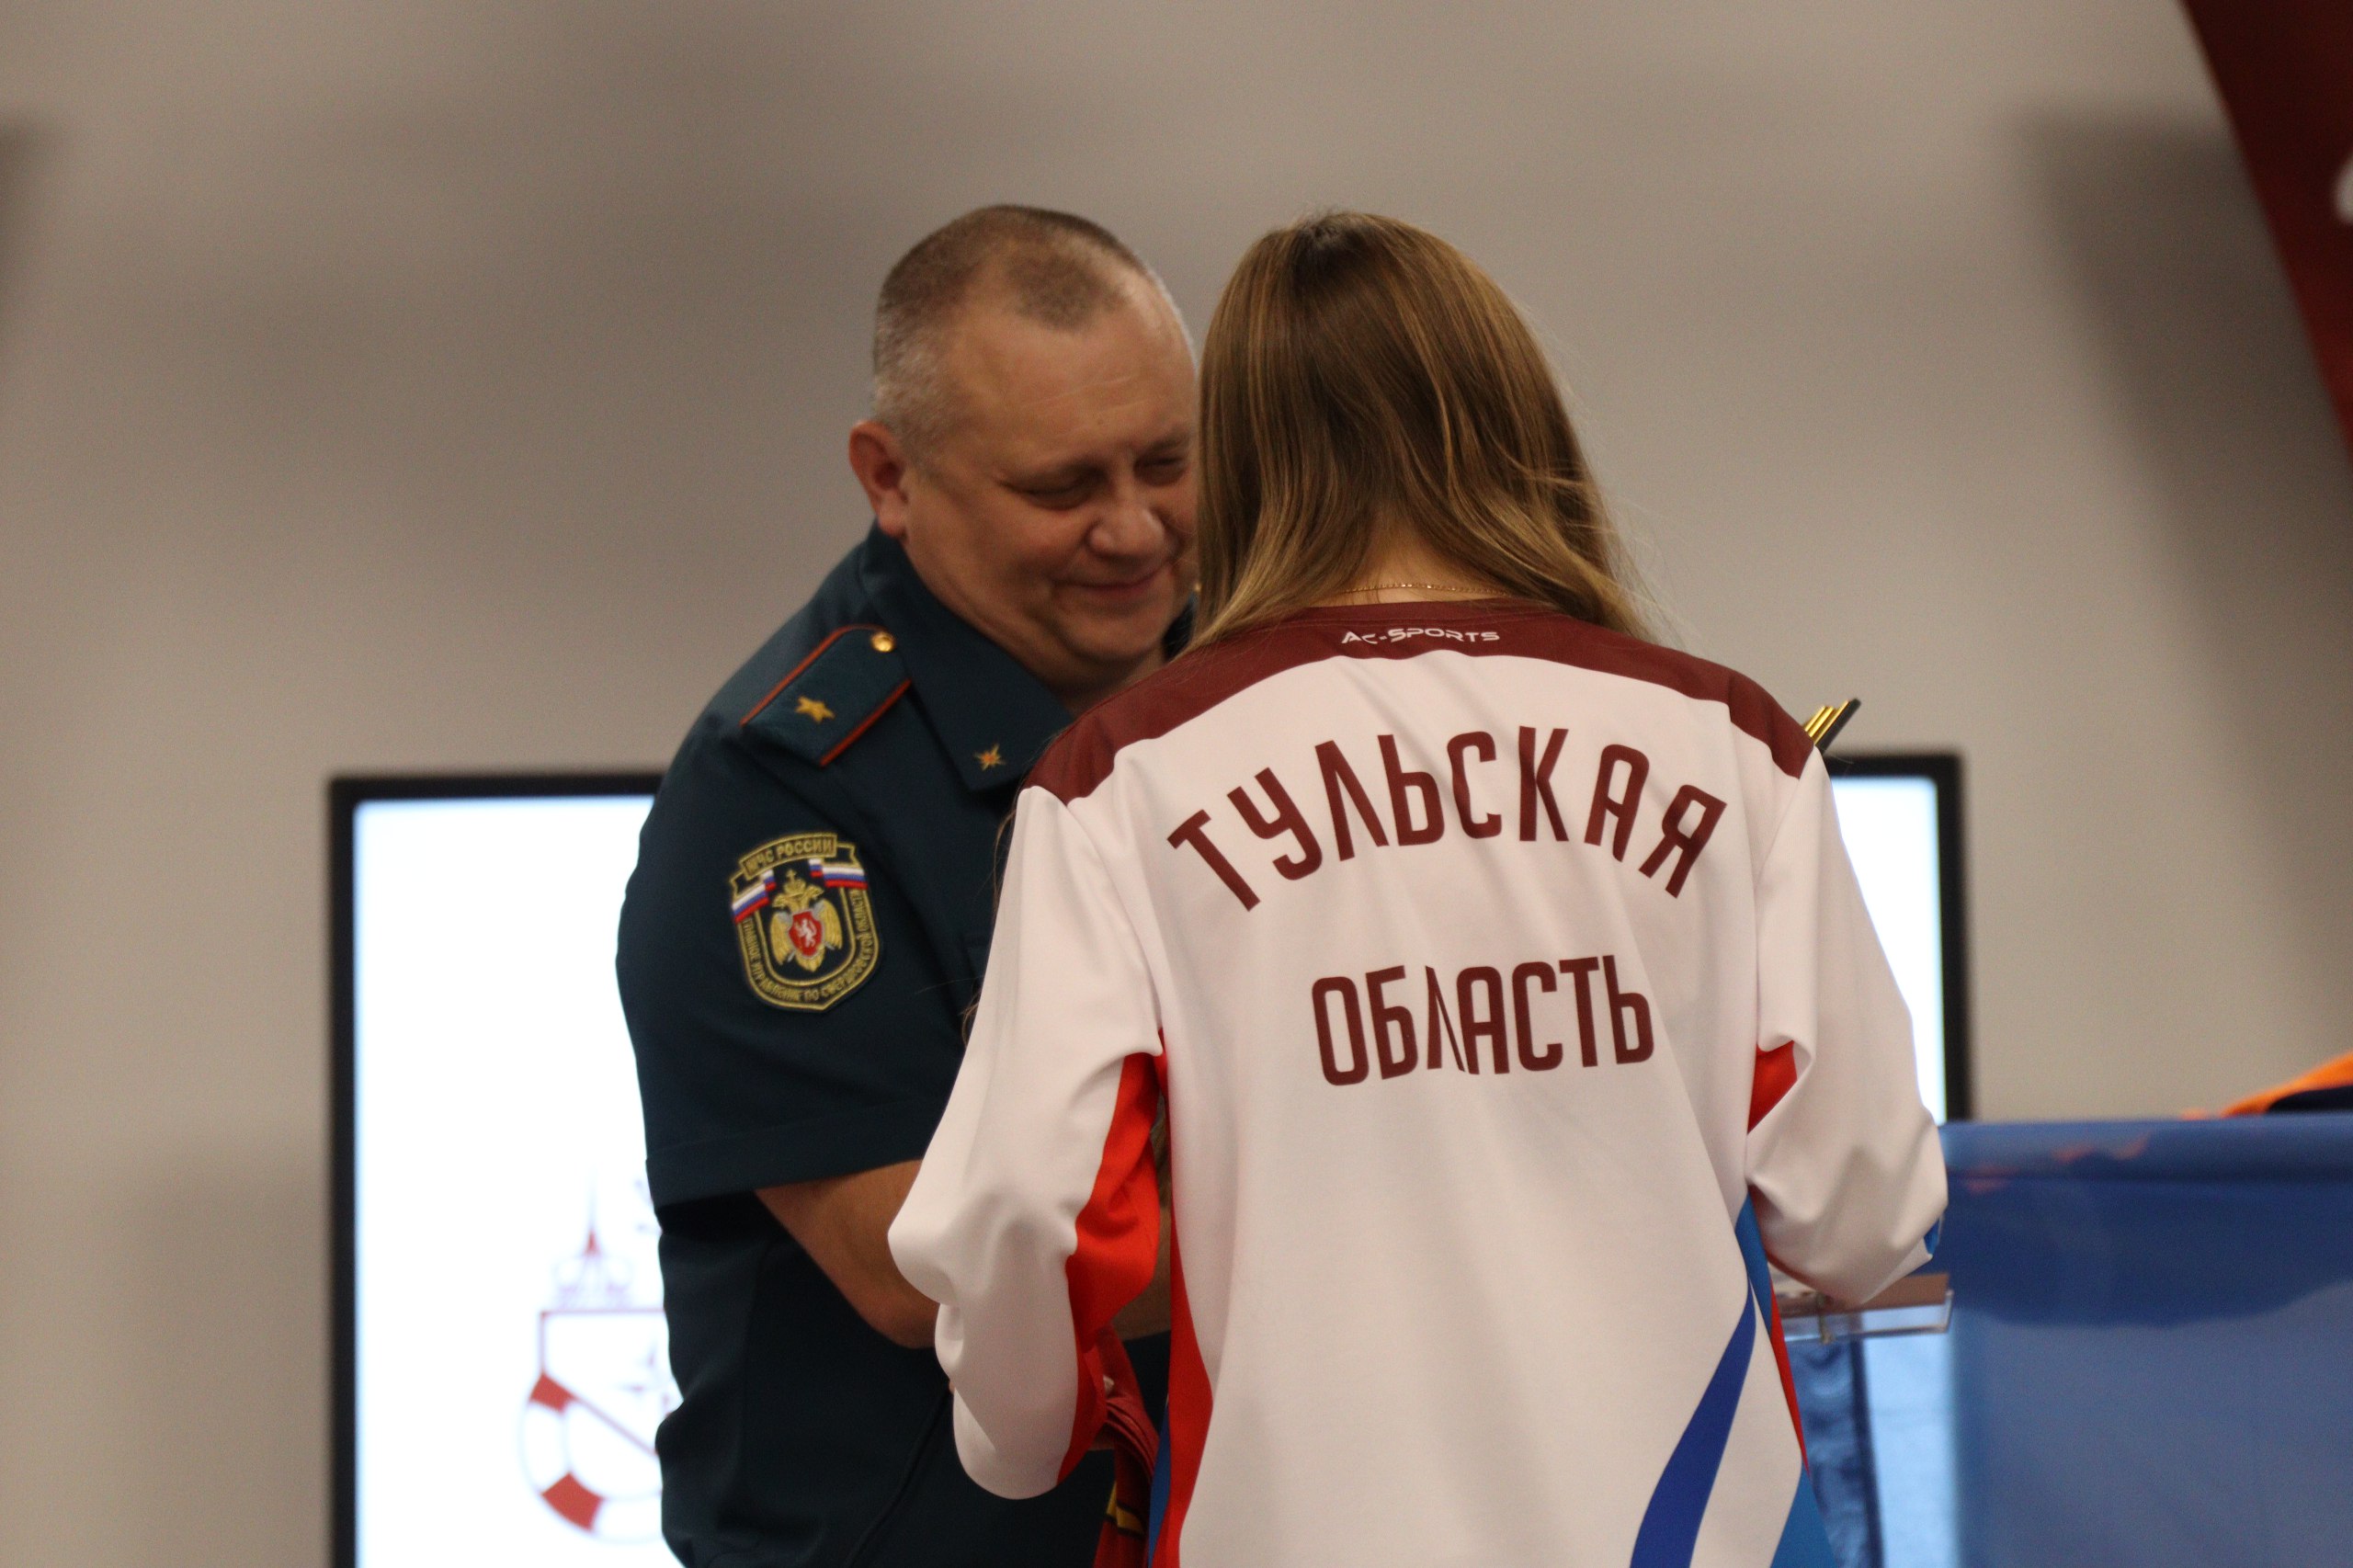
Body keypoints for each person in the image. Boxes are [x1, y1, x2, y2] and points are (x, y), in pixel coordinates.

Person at [888, 211, 1949, 1567]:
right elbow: (1865, 1216)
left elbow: (1031, 1212)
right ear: (1518, 419)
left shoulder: (1120, 779)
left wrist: (1021, 1434)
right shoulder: (1733, 745)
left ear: (1242, 452)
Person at [618, 205, 1193, 1568]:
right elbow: (911, 1261)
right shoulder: (780, 796)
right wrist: (1389, 1197)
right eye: (1062, 487)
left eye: (1168, 462)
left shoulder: (1262, 686)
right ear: (891, 476)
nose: (1135, 530)